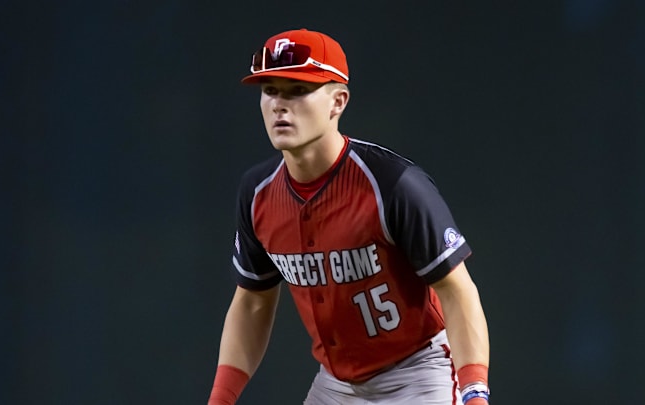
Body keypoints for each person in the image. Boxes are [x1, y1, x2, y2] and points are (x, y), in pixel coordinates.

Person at [207, 28, 491, 405]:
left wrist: (474, 391)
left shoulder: (393, 184)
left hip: (419, 373)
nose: (279, 104)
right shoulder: (258, 193)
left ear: (337, 102)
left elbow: (456, 291)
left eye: (298, 90)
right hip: (336, 385)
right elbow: (252, 302)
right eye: (270, 89)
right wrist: (221, 399)